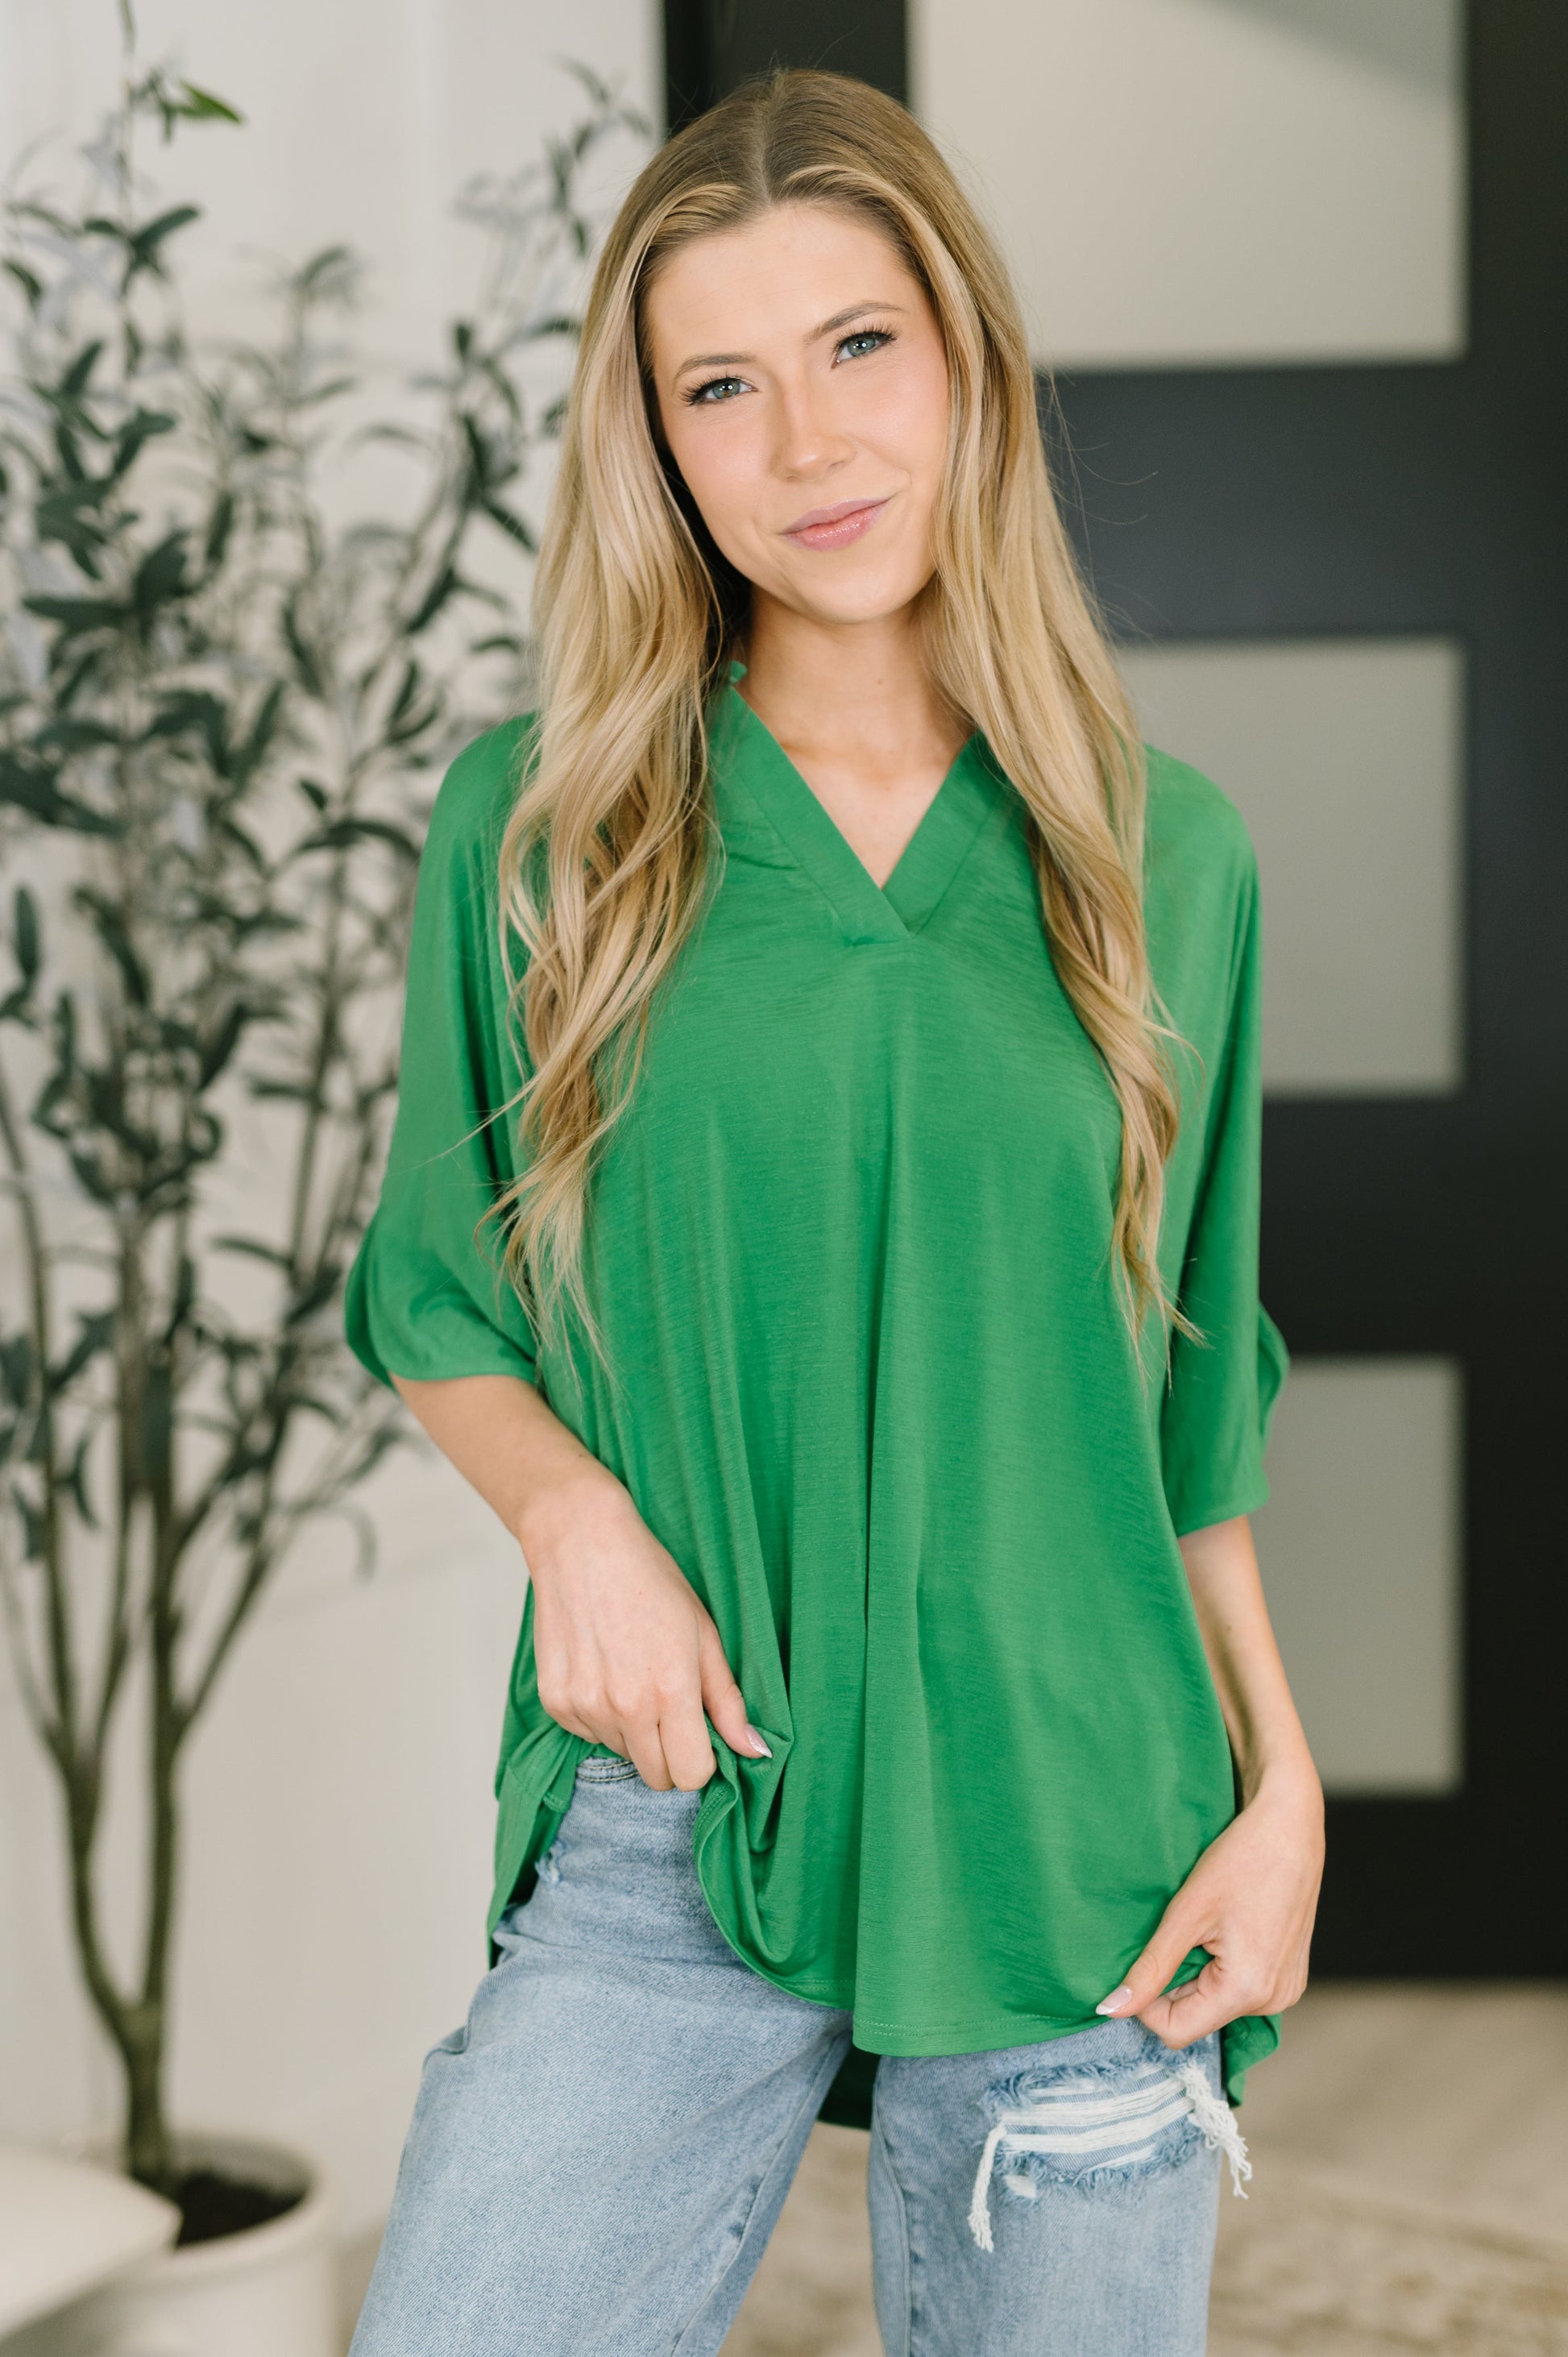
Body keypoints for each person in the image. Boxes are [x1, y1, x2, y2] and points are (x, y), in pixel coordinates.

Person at [344, 67, 1324, 2357]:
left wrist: (1278, 1795)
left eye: (857, 346)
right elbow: (433, 1292)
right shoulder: (544, 832)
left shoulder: (1162, 854)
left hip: (1081, 1827)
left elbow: (1187, 1401)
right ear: (657, 443)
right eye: (722, 385)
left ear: (963, 356)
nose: (806, 444)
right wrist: (576, 1524)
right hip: (681, 1801)